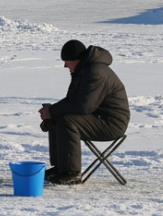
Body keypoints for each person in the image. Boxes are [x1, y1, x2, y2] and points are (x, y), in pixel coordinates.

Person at [38, 40, 130, 185]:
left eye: (67, 61)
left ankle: (71, 173)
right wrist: (52, 111)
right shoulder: (86, 70)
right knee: (59, 116)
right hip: (98, 118)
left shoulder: (96, 72)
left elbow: (83, 107)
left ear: (76, 59)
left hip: (112, 124)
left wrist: (52, 111)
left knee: (66, 120)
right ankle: (61, 168)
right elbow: (72, 100)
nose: (65, 65)